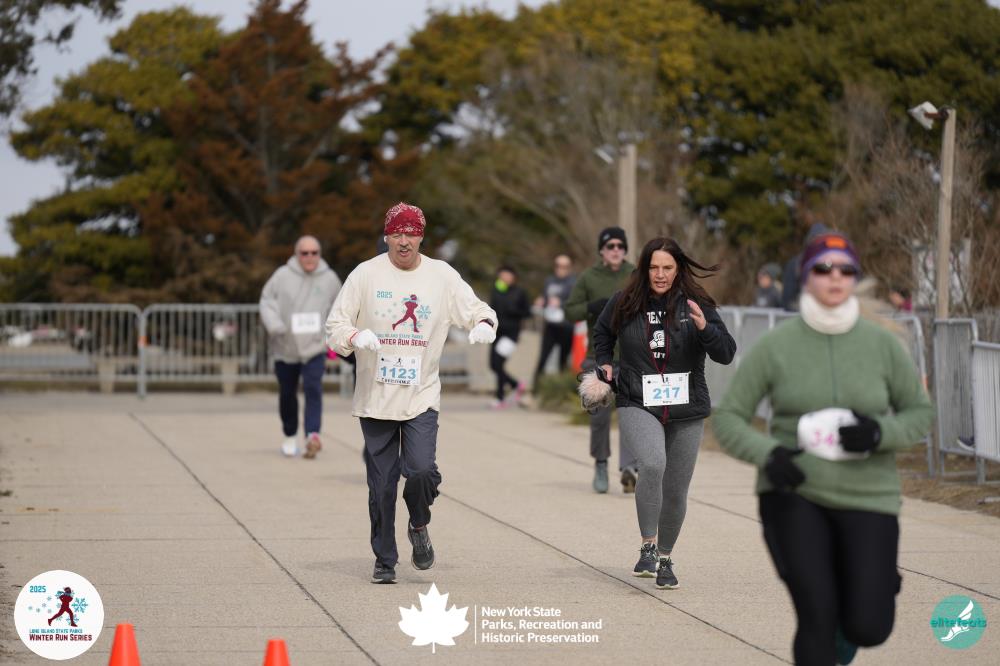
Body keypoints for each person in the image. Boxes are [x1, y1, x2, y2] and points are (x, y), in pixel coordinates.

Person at [713, 231, 933, 665]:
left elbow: (919, 414)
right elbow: (728, 417)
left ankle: (872, 584)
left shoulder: (882, 345)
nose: (835, 277)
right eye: (824, 268)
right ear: (805, 276)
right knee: (817, 614)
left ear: (855, 278)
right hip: (794, 493)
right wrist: (769, 455)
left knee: (867, 625)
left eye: (845, 270)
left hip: (868, 495)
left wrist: (879, 433)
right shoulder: (777, 345)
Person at [325, 202, 498, 584]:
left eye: (411, 233)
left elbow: (477, 308)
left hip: (421, 395)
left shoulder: (441, 275)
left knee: (420, 471)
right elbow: (335, 325)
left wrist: (485, 323)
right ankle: (385, 559)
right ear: (387, 236)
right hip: (376, 398)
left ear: (422, 237)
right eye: (397, 233)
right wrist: (354, 336)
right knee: (382, 485)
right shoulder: (365, 274)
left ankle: (418, 523)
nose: (404, 241)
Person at [593, 237, 735, 590]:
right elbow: (602, 332)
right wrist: (605, 363)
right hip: (638, 399)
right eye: (654, 267)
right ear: (644, 269)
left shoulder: (697, 304)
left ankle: (666, 558)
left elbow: (726, 353)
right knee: (653, 463)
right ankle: (648, 546)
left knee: (676, 489)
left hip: (687, 407)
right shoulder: (624, 302)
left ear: (678, 269)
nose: (660, 274)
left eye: (667, 268)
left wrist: (704, 328)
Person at [565, 227, 638, 494]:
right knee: (599, 416)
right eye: (610, 246)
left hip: (632, 356)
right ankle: (600, 464)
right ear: (602, 250)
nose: (616, 250)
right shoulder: (589, 277)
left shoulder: (635, 274)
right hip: (598, 356)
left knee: (632, 414)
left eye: (620, 245)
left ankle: (630, 467)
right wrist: (591, 308)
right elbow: (569, 311)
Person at [260, 235, 342, 459]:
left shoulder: (329, 278)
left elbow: (340, 307)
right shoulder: (282, 275)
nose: (309, 257)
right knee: (287, 393)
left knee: (313, 388)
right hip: (285, 347)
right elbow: (267, 301)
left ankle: (312, 435)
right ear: (297, 254)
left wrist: (333, 337)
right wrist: (275, 325)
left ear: (320, 254)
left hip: (315, 347)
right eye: (304, 253)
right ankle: (289, 434)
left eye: (314, 253)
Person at [489, 265, 531, 408]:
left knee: (498, 364)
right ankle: (515, 385)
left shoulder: (520, 292)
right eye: (502, 275)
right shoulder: (496, 291)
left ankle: (500, 397)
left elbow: (528, 312)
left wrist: (515, 311)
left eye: (508, 275)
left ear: (513, 277)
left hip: (511, 335)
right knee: (493, 365)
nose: (505, 278)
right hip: (496, 333)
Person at [532, 254, 577, 387]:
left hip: (566, 326)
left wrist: (561, 303)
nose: (561, 269)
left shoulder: (573, 282)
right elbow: (546, 298)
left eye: (564, 266)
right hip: (551, 325)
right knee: (543, 357)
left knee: (563, 360)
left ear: (569, 268)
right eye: (558, 265)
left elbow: (576, 303)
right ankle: (535, 388)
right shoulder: (549, 280)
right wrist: (542, 301)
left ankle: (562, 390)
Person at [781, 222, 830, 311]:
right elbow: (788, 301)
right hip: (802, 315)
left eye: (823, 241)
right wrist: (809, 310)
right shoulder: (796, 264)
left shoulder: (835, 264)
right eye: (816, 240)